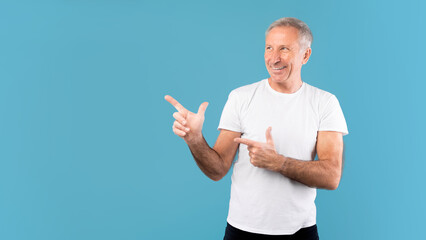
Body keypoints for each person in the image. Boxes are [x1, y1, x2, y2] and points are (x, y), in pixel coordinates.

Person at [165, 17, 348, 240]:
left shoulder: (325, 103)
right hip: (241, 231)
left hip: (300, 232)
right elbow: (217, 170)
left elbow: (331, 176)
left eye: (284, 49)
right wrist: (195, 139)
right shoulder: (240, 97)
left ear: (306, 55)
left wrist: (279, 163)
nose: (274, 58)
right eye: (269, 48)